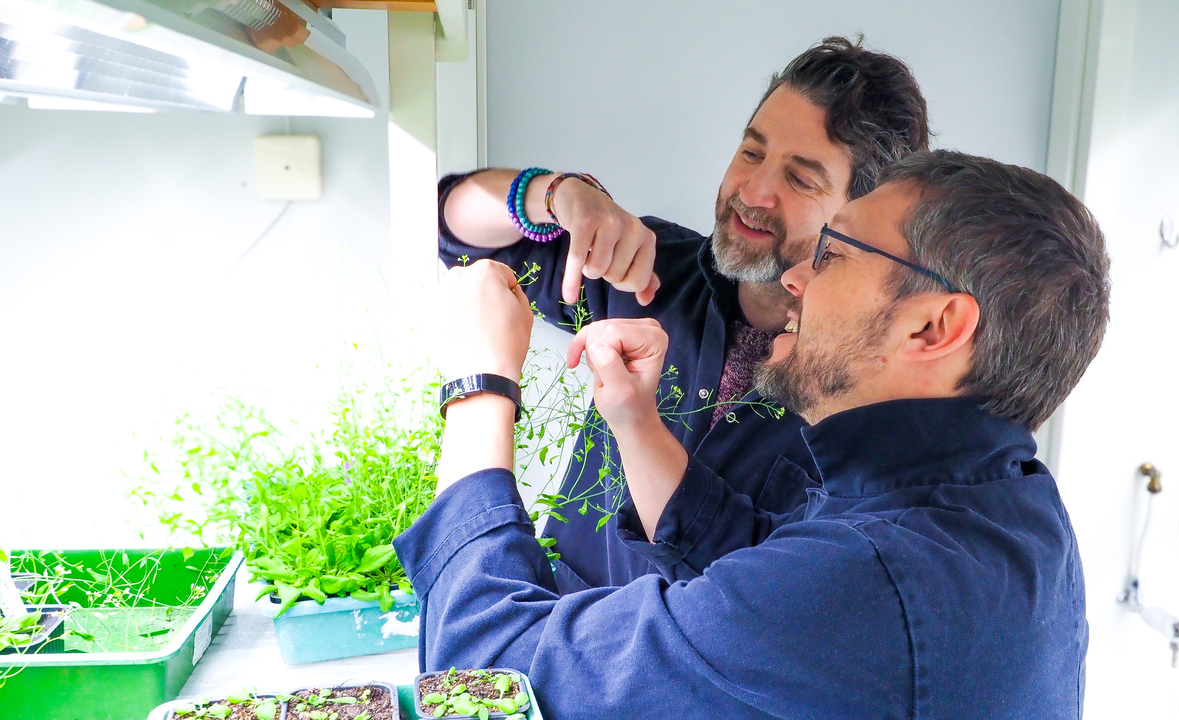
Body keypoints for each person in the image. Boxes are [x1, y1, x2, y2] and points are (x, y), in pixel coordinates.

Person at [394, 150, 1111, 719]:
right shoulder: (1008, 512)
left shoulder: (864, 582)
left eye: (832, 253)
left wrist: (480, 384)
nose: (796, 278)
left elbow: (479, 682)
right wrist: (637, 422)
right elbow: (764, 558)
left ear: (933, 326)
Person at [436, 36, 931, 590]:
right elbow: (454, 227)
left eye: (799, 178)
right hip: (550, 642)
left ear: (860, 216)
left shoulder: (861, 398)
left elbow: (774, 595)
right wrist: (558, 193)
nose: (756, 190)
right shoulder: (649, 266)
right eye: (751, 152)